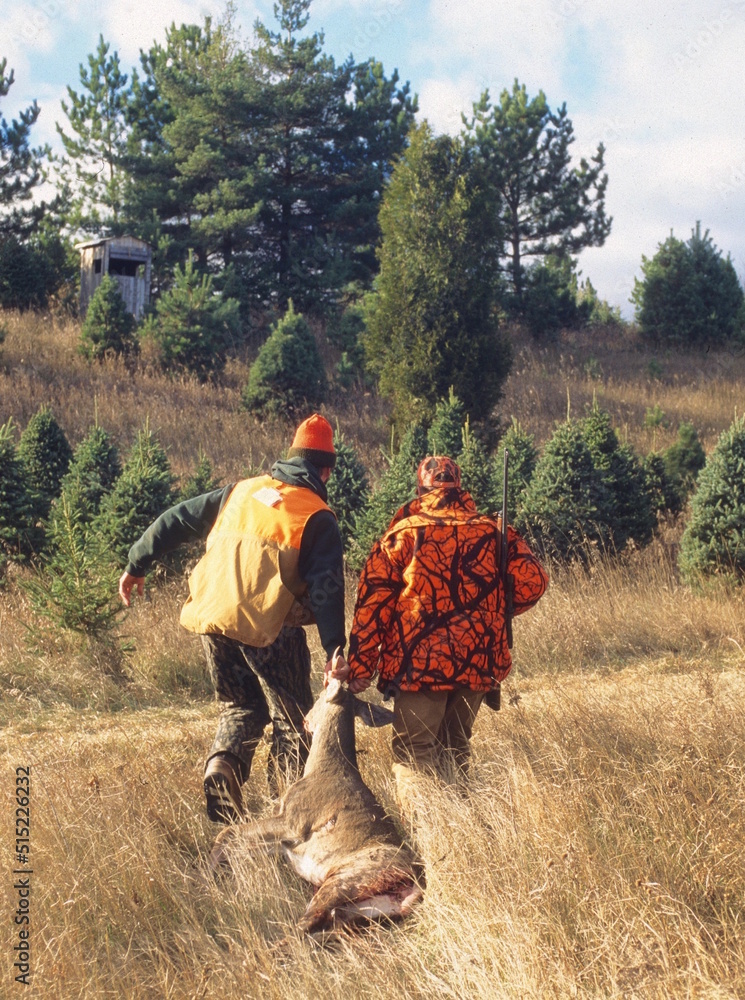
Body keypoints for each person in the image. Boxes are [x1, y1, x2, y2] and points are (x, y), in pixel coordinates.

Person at [118, 413, 347, 823]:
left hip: (212, 618)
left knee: (241, 707)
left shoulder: (241, 492)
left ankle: (222, 767)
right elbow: (329, 589)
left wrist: (138, 561)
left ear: (290, 458)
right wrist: (335, 649)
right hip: (267, 626)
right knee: (292, 719)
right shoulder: (316, 516)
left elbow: (177, 519)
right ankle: (286, 815)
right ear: (325, 470)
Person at [329, 455, 547, 806]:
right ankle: (460, 838)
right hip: (478, 662)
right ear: (459, 489)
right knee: (455, 748)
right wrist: (489, 614)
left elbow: (373, 605)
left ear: (421, 490)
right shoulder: (493, 531)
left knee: (415, 753)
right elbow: (533, 582)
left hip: (421, 665)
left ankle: (429, 837)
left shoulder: (403, 534)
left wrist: (361, 667)